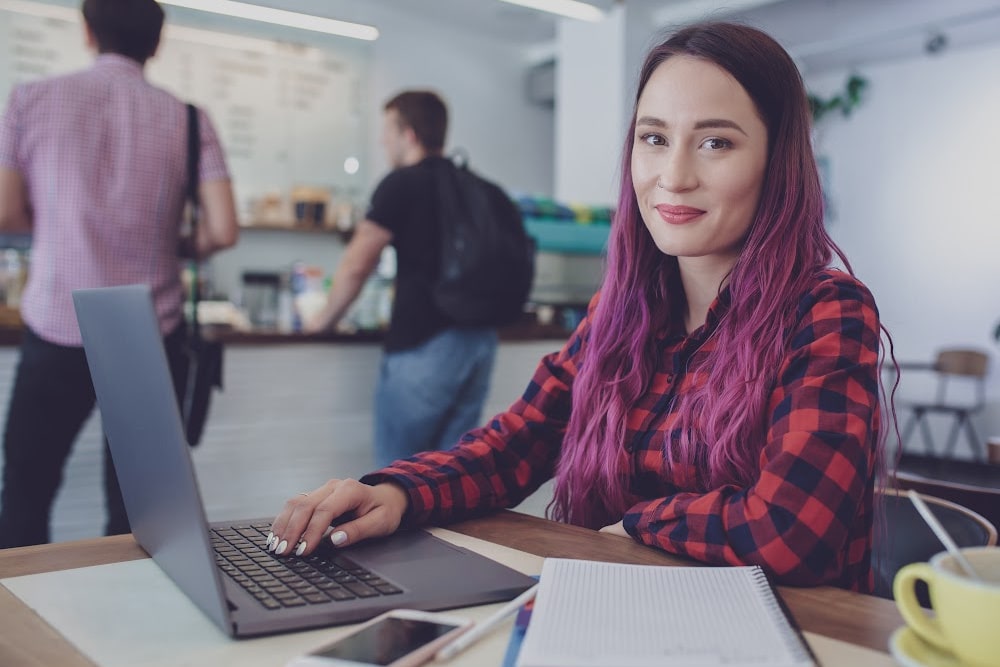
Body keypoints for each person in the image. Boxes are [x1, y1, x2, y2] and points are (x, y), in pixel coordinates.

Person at [270, 21, 891, 592]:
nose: (672, 175)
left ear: (776, 162)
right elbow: (516, 445)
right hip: (622, 615)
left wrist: (639, 524)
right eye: (654, 137)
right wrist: (397, 491)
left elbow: (789, 533)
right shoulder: (623, 312)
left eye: (715, 144)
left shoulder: (826, 313)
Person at [0, 0, 239, 547]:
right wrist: (171, 243)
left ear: (87, 32)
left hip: (57, 323)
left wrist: (64, 228)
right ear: (156, 44)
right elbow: (223, 231)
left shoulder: (29, 100)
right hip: (149, 334)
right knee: (139, 513)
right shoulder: (189, 119)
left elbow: (6, 212)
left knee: (26, 491)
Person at [304, 91, 499, 468]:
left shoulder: (402, 183)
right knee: (452, 477)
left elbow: (357, 264)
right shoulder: (480, 187)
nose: (382, 141)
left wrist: (322, 322)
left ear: (408, 134)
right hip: (480, 344)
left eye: (387, 131)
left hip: (424, 345)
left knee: (396, 478)